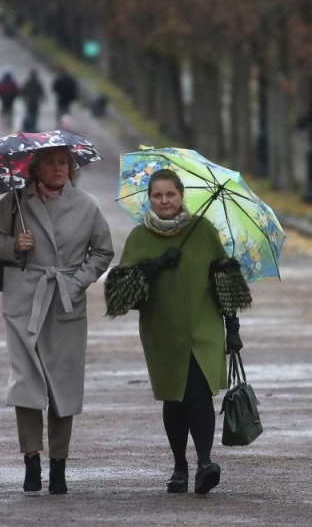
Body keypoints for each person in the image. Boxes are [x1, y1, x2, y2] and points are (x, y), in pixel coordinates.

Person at [103, 168, 252, 495]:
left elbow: (225, 283)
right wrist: (154, 266)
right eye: (157, 195)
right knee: (175, 398)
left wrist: (233, 329)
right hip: (162, 333)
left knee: (199, 393)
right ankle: (179, 466)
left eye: (170, 194)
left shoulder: (203, 231)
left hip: (204, 328)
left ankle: (203, 462)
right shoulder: (139, 238)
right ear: (149, 199)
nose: (164, 200)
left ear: (181, 195)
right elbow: (120, 298)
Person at [0, 146, 114, 495]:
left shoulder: (87, 205)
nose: (58, 169)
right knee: (26, 381)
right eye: (51, 163)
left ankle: (59, 465)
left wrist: (77, 280)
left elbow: (103, 252)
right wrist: (14, 244)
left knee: (62, 384)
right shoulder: (13, 203)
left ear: (71, 168)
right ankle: (31, 461)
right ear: (35, 168)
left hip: (65, 301)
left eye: (64, 163)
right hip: (23, 299)